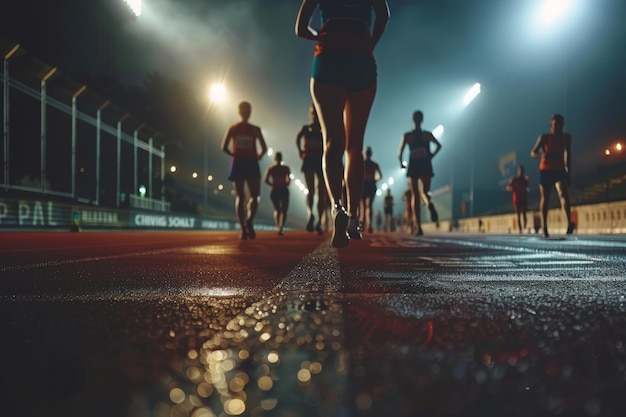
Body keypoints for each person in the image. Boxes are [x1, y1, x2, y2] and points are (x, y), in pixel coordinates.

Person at [295, 0, 390, 248]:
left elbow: (300, 29)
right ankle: (354, 217)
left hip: (328, 58)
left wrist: (321, 35)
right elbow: (384, 15)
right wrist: (370, 44)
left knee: (332, 143)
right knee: (354, 146)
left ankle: (338, 208)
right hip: (361, 58)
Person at [221, 101, 268, 240]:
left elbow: (224, 147)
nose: (247, 113)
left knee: (244, 196)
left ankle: (246, 225)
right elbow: (264, 148)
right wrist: (258, 155)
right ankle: (246, 225)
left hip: (241, 162)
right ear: (245, 112)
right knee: (249, 196)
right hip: (248, 162)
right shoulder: (252, 129)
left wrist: (234, 154)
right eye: (246, 110)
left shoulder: (234, 128)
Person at [398, 110, 441, 236]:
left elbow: (399, 152)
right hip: (426, 163)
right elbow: (439, 145)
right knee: (425, 192)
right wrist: (431, 155)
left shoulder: (407, 136)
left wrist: (401, 163)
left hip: (414, 165)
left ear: (413, 120)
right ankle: (429, 204)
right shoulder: (427, 135)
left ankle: (418, 227)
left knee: (415, 196)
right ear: (422, 120)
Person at [530, 113, 574, 238]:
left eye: (560, 125)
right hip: (546, 169)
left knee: (563, 194)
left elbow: (568, 154)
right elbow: (532, 152)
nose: (558, 127)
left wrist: (568, 171)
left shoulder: (567, 137)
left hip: (560, 169)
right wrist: (541, 155)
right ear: (551, 125)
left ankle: (569, 223)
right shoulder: (544, 137)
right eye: (556, 125)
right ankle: (544, 227)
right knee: (545, 198)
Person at [296, 104, 326, 235]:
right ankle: (312, 216)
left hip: (318, 160)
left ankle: (317, 219)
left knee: (316, 192)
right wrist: (300, 151)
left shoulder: (322, 129)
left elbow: (297, 139)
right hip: (311, 159)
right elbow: (297, 139)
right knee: (313, 191)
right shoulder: (306, 128)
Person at [264, 152, 291, 236]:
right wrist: (285, 183)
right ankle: (280, 226)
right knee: (281, 210)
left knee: (280, 210)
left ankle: (280, 226)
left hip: (278, 189)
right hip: (280, 189)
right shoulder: (280, 168)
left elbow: (266, 180)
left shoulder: (273, 168)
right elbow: (289, 179)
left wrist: (272, 184)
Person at [360, 146, 383, 233]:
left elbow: (380, 176)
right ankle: (366, 224)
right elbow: (380, 176)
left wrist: (373, 179)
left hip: (367, 185)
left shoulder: (369, 164)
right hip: (367, 184)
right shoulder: (372, 164)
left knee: (365, 205)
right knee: (367, 205)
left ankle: (366, 224)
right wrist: (374, 179)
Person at [506, 164, 530, 234]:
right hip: (516, 199)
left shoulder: (526, 179)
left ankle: (525, 224)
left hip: (524, 198)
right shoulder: (514, 179)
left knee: (524, 213)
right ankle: (520, 230)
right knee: (518, 214)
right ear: (518, 171)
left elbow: (527, 186)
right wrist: (512, 189)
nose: (521, 172)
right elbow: (508, 187)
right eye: (520, 171)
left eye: (522, 171)